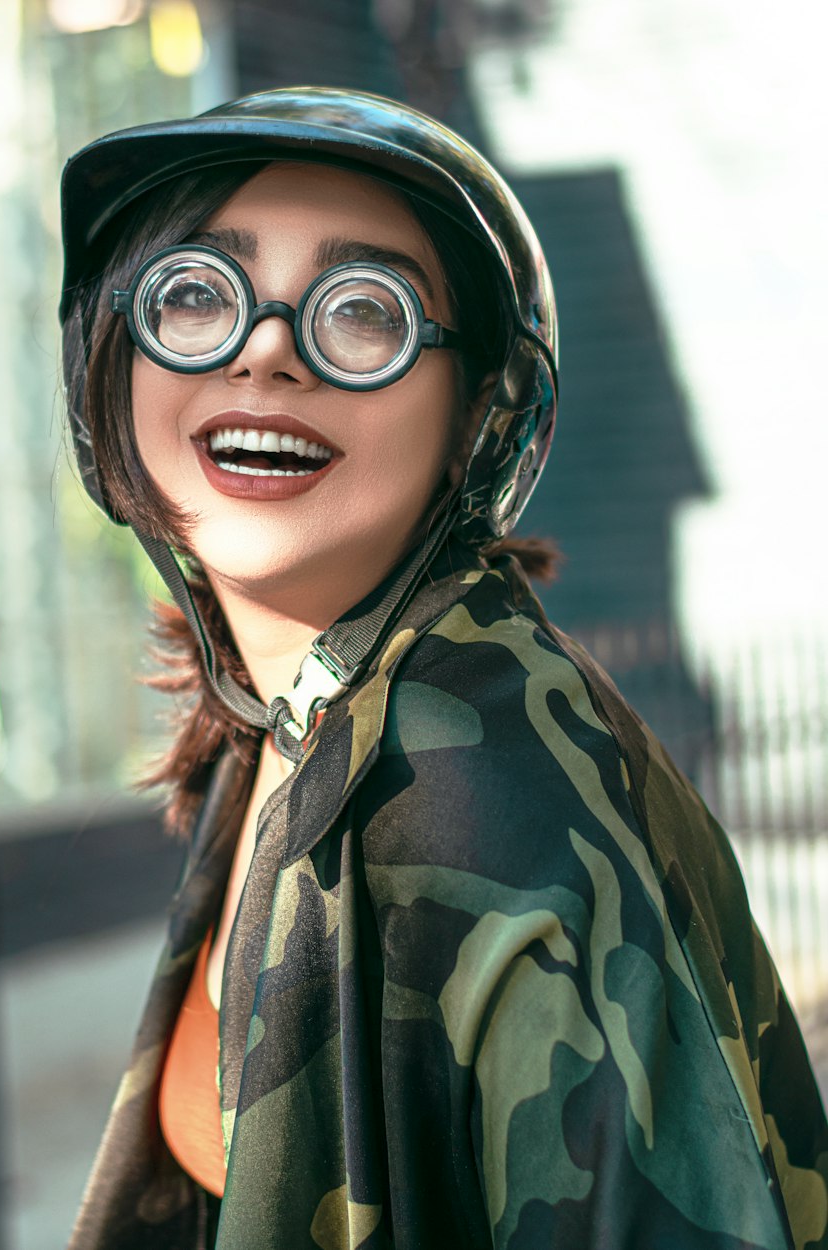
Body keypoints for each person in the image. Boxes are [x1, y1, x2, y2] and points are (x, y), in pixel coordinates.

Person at [58, 87, 828, 1249]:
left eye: (360, 313)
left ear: (478, 409)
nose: (265, 348)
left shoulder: (484, 810)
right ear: (110, 362)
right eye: (197, 295)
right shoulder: (298, 709)